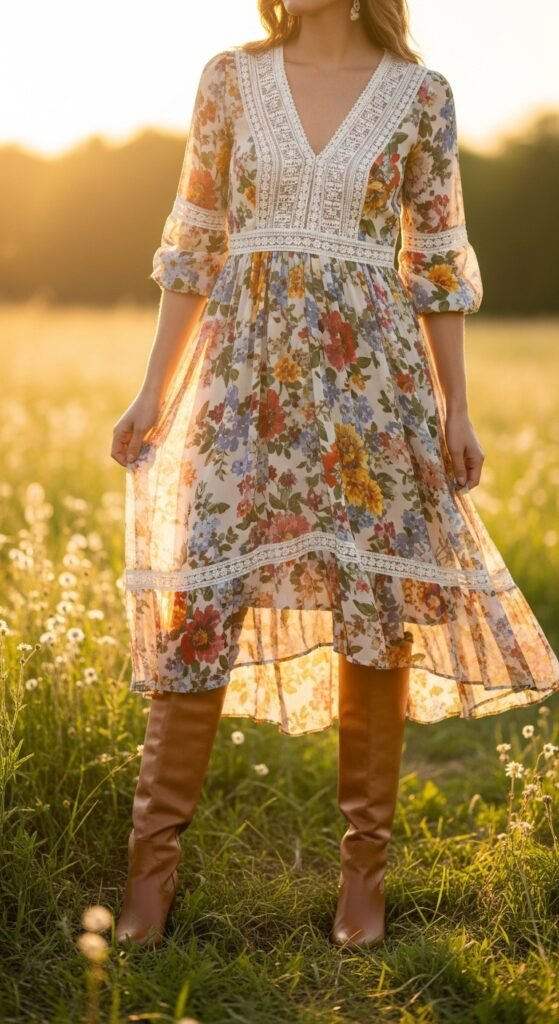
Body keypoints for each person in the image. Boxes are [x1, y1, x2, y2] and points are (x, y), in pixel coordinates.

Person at [110, 0, 559, 950]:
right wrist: (153, 391)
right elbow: (192, 241)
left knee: (372, 608)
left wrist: (456, 407)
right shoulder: (229, 78)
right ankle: (148, 877)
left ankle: (365, 873)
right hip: (242, 378)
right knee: (203, 597)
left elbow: (434, 259)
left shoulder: (420, 96)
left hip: (372, 385)